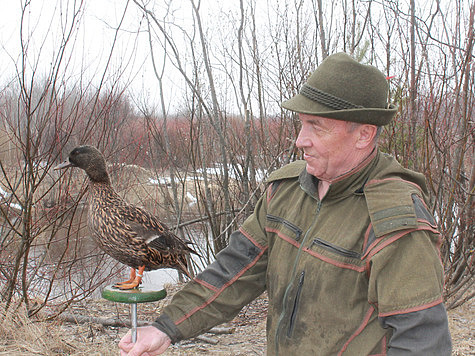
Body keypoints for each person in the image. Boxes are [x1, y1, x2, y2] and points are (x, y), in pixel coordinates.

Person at [119, 52, 452, 355]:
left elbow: (422, 343)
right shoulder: (286, 190)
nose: (299, 140)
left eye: (316, 127)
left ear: (363, 135)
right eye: (301, 123)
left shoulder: (395, 221)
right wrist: (166, 327)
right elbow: (235, 270)